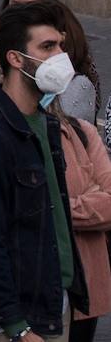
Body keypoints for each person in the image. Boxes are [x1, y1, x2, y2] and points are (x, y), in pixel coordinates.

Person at [0, 0, 88, 342]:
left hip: (51, 306)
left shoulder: (45, 125)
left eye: (60, 44)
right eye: (47, 47)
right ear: (15, 59)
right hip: (10, 323)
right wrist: (18, 328)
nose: (61, 56)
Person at [58, 89, 111, 342]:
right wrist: (90, 197)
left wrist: (59, 208)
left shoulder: (83, 133)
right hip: (28, 291)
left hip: (84, 287)